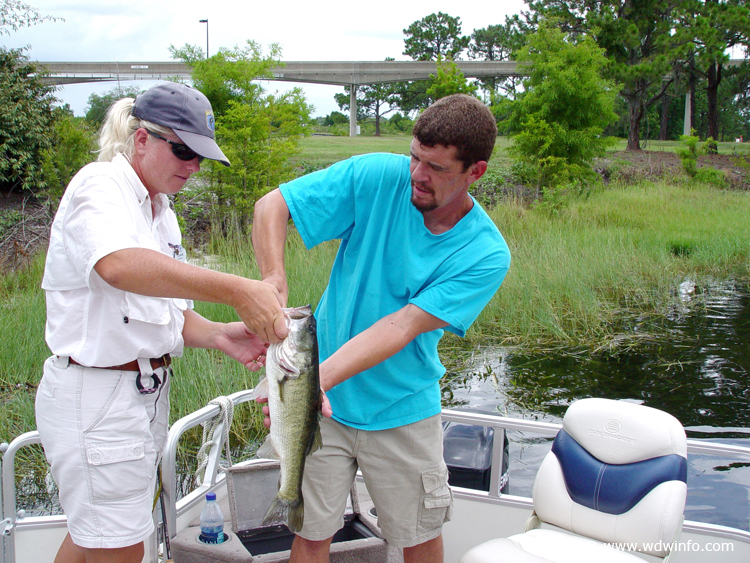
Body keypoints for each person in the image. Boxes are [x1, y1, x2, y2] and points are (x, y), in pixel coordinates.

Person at [252, 94, 511, 563]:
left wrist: (309, 385)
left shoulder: (485, 253)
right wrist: (274, 278)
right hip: (326, 411)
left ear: (476, 172)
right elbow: (272, 206)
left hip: (402, 409)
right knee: (310, 535)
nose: (416, 174)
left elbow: (402, 325)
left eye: (435, 167)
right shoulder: (376, 176)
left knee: (417, 537)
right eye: (414, 157)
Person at [36, 82, 287, 563]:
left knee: (96, 535)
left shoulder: (160, 212)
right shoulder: (99, 185)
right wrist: (237, 288)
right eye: (182, 150)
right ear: (141, 138)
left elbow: (162, 316)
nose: (192, 166)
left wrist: (218, 334)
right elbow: (117, 265)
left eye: (201, 157)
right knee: (119, 544)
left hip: (139, 400)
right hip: (97, 401)